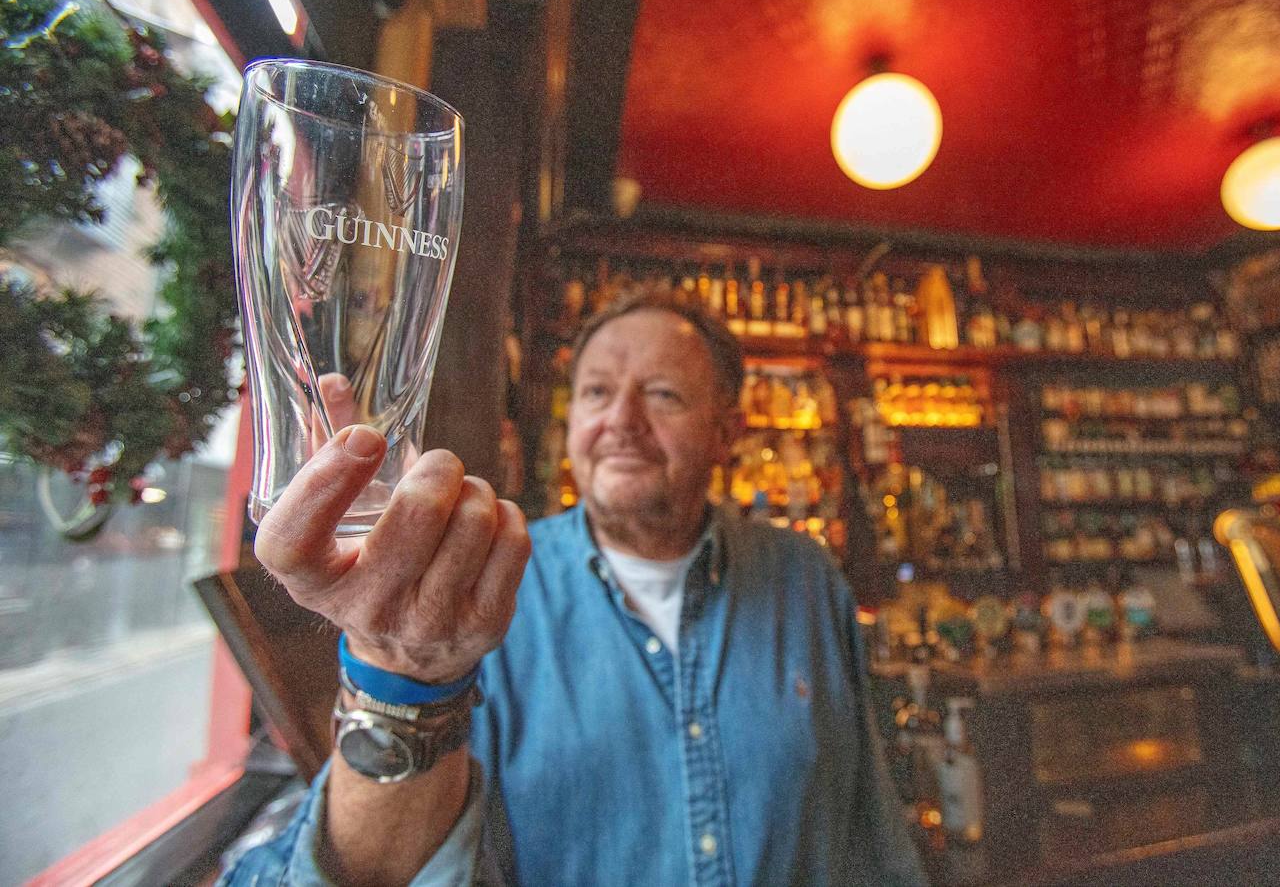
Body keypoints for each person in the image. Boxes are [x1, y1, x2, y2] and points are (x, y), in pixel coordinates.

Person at [223, 292, 927, 886]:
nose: (620, 421)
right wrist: (399, 670)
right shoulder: (485, 584)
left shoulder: (804, 576)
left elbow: (869, 821)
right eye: (596, 392)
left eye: (663, 394)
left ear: (727, 434)